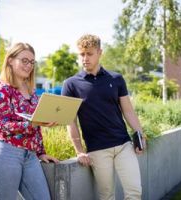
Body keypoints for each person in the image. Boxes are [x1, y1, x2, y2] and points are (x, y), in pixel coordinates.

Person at [62, 34, 146, 200]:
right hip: (97, 149)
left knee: (134, 192)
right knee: (107, 196)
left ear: (100, 52)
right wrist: (79, 151)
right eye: (81, 54)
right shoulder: (71, 84)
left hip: (123, 144)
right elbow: (70, 121)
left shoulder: (116, 79)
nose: (85, 58)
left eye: (89, 54)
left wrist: (139, 135)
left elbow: (128, 111)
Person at [0, 42, 59, 200]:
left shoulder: (31, 91)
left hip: (30, 156)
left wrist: (41, 152)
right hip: (5, 153)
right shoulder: (1, 90)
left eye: (32, 62)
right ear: (11, 60)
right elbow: (2, 125)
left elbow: (36, 125)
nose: (29, 66)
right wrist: (33, 123)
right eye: (24, 60)